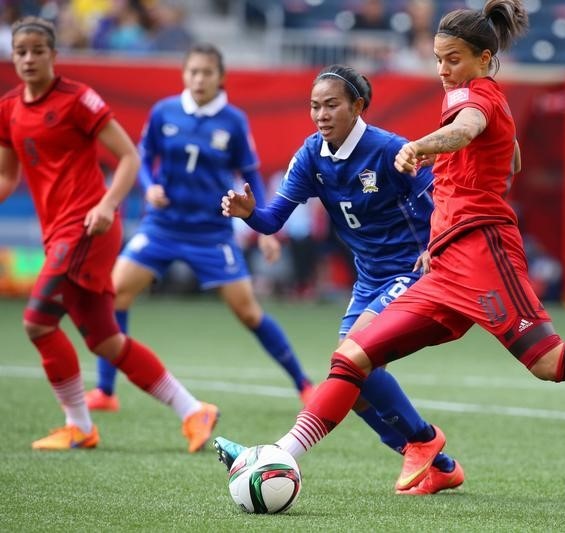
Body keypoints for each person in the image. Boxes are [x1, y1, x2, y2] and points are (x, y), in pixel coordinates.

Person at [215, 0, 565, 495]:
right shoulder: (465, 98)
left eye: (454, 59)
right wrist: (478, 169)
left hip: (484, 249)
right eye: (439, 59)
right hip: (443, 262)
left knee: (549, 361)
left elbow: (469, 128)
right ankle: (281, 455)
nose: (443, 70)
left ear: (484, 59)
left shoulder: (474, 98)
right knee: (352, 356)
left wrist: (422, 147)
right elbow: (504, 152)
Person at [216, 64, 463, 495]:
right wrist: (249, 213)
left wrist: (436, 244)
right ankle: (436, 461)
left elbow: (443, 198)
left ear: (358, 107)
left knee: (352, 360)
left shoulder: (390, 150)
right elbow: (273, 221)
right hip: (369, 281)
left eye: (331, 105)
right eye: (314, 106)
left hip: (414, 272)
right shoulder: (312, 154)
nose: (321, 114)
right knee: (356, 381)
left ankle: (282, 452)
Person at [0, 16, 218, 451]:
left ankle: (79, 425)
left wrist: (107, 204)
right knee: (105, 339)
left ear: (54, 56)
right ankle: (194, 410)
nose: (27, 59)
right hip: (58, 233)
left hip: (87, 226)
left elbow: (130, 158)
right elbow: (7, 177)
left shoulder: (79, 99)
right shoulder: (8, 109)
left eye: (37, 51)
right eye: (20, 51)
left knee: (37, 322)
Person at [85, 42, 315, 412]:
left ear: (221, 78)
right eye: (193, 71)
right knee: (114, 295)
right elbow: (142, 159)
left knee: (249, 313)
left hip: (212, 234)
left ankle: (304, 384)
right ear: (184, 74)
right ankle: (106, 391)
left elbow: (251, 176)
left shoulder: (234, 121)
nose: (199, 79)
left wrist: (266, 229)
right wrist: (150, 185)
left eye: (207, 72)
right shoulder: (165, 112)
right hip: (162, 226)